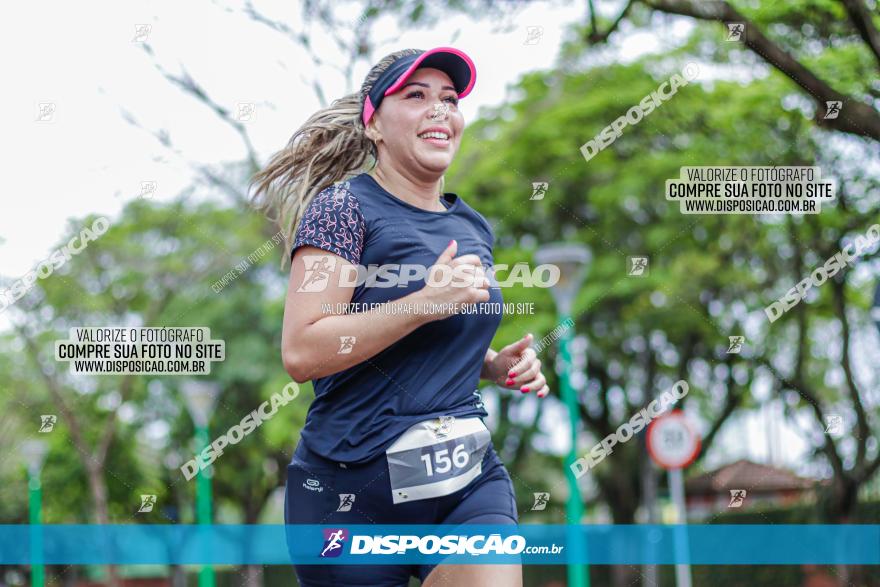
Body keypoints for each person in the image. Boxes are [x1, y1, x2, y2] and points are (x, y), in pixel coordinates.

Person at [250, 46, 549, 587]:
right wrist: (422, 303)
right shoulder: (343, 208)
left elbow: (429, 341)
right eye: (416, 96)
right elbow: (302, 351)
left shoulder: (473, 226)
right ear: (374, 124)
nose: (440, 109)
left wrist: (492, 365)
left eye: (450, 99)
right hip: (351, 490)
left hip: (465, 477)